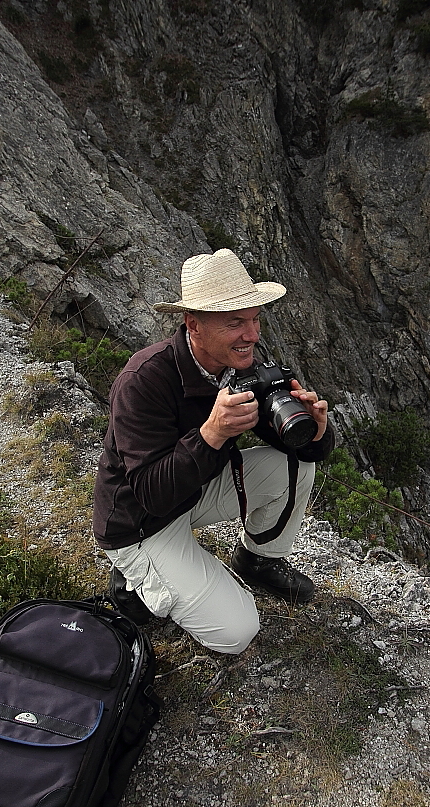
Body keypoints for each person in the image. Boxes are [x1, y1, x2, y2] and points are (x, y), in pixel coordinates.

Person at [92, 248, 334, 654]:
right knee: (236, 632)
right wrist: (211, 433)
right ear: (194, 325)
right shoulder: (144, 380)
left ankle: (257, 560)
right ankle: (134, 583)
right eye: (235, 322)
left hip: (195, 488)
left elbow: (297, 449)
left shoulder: (238, 368)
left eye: (255, 319)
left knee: (290, 466)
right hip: (141, 521)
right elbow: (152, 493)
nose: (252, 335)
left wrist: (314, 433)